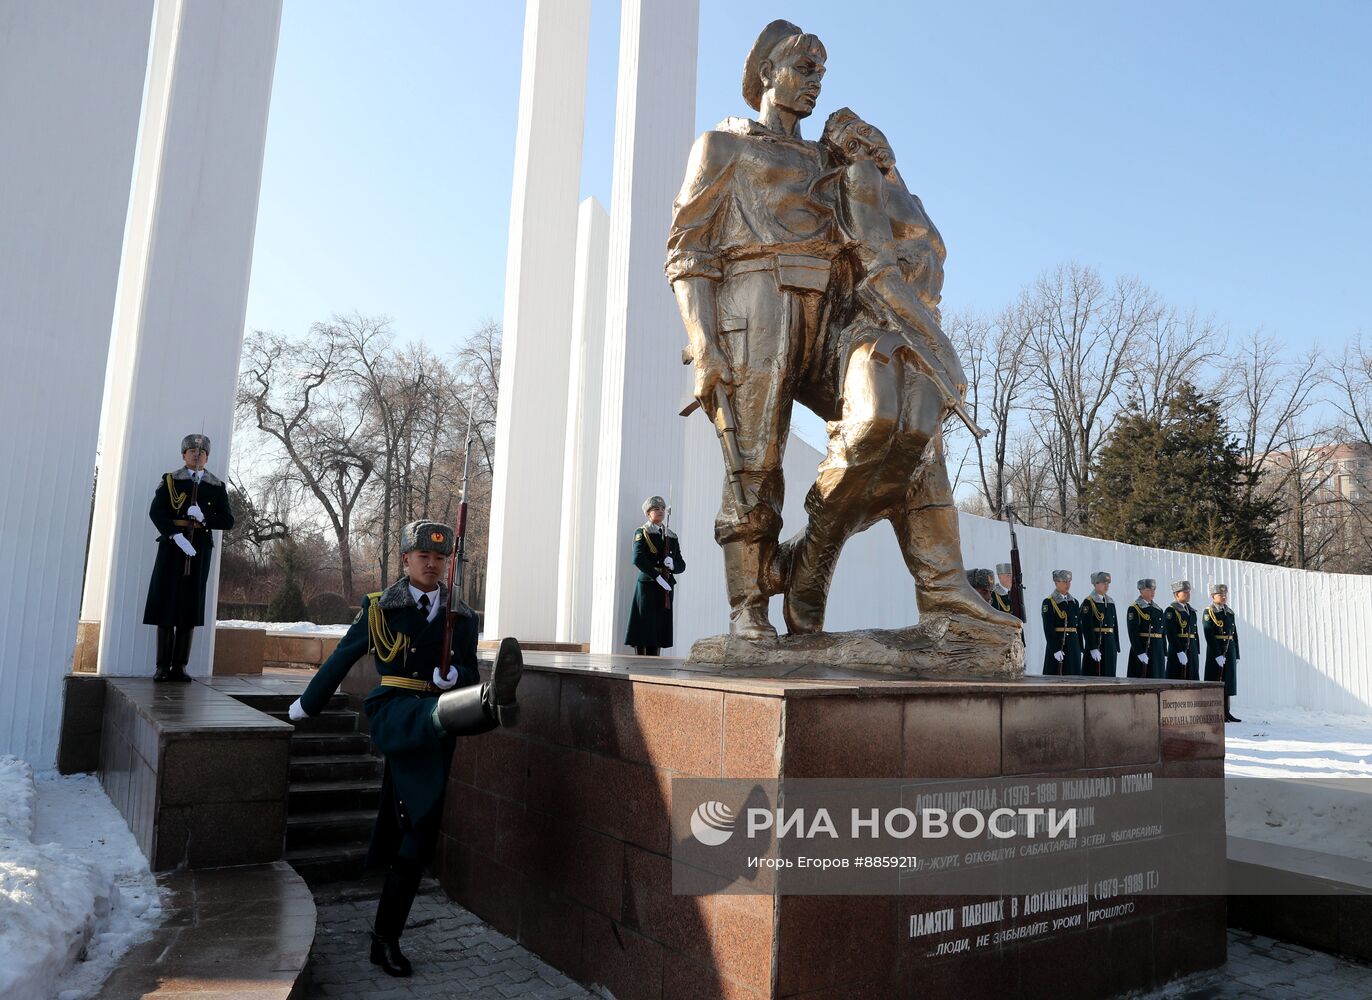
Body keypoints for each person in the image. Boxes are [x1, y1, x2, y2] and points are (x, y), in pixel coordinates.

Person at [777, 105, 1018, 637]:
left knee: (920, 448)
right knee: (875, 422)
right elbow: (880, 274)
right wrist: (942, 348)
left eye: (867, 128)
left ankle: (942, 587)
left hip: (920, 330)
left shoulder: (913, 199)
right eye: (850, 135)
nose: (866, 140)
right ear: (843, 149)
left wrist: (931, 338)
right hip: (872, 325)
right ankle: (817, 546)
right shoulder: (858, 179)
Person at [287, 521, 524, 978]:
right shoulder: (380, 608)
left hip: (438, 725)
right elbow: (341, 657)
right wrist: (306, 704)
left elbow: (466, 667)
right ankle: (492, 705)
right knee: (430, 720)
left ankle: (385, 939)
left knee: (417, 837)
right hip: (396, 709)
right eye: (423, 556)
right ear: (406, 560)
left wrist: (459, 679)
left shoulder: (462, 617)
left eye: (440, 558)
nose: (433, 564)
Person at [667, 19, 839, 640]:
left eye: (823, 71)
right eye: (804, 67)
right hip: (753, 304)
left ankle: (803, 570)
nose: (817, 81)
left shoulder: (827, 159)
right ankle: (748, 607)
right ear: (767, 73)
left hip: (829, 310)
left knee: (890, 431)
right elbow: (687, 251)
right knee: (755, 462)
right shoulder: (723, 146)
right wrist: (705, 343)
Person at [142, 433, 235, 682]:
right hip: (173, 548)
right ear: (184, 455)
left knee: (189, 606)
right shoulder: (171, 480)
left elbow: (228, 520)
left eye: (202, 452)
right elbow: (156, 511)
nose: (197, 455)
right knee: (166, 604)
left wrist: (204, 517)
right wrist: (174, 535)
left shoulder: (216, 486)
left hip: (199, 549)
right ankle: (162, 666)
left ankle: (179, 666)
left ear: (207, 457)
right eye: (192, 451)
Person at [625, 496, 684, 655]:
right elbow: (637, 558)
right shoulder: (642, 532)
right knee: (645, 624)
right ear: (647, 513)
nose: (660, 511)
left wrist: (672, 565)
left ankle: (654, 661)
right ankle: (641, 662)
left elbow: (681, 565)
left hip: (666, 585)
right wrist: (656, 577)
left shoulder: (671, 536)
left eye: (662, 509)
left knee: (659, 626)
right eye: (656, 509)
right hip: (648, 584)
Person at [1203, 583, 1241, 722]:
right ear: (1213, 596)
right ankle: (1216, 711)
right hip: (1217, 649)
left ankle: (1227, 711)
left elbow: (1234, 633)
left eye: (1225, 594)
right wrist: (1217, 654)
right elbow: (1209, 634)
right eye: (1220, 594)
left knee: (1228, 680)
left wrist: (1236, 653)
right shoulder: (1209, 612)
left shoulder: (1229, 612)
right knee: (1215, 679)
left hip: (1229, 647)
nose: (1224, 596)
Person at [1041, 570, 1082, 676]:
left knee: (1075, 676)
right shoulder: (1049, 602)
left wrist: (1080, 647)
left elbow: (1078, 627)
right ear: (1056, 582)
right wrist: (1055, 649)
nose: (1067, 584)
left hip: (1073, 646)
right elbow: (1048, 628)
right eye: (1064, 581)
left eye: (1069, 581)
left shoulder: (1074, 602)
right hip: (1059, 645)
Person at [1079, 571, 1120, 677]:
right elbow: (1086, 626)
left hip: (1109, 644)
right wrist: (1092, 647)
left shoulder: (1110, 601)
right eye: (1103, 583)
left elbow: (1114, 625)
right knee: (1094, 674)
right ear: (1096, 584)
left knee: (1109, 674)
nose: (1106, 586)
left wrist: (1116, 644)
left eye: (1108, 583)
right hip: (1097, 643)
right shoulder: (1089, 602)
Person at [1125, 579, 1167, 679]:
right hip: (1144, 649)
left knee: (1159, 679)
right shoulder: (1135, 608)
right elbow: (1132, 633)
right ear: (1141, 590)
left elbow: (1163, 633)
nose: (1152, 592)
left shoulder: (1158, 609)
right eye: (1149, 590)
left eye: (1154, 589)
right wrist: (1139, 652)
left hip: (1158, 651)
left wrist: (1164, 652)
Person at [1165, 580, 1200, 681]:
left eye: (1188, 592)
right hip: (1178, 650)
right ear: (1176, 594)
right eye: (1185, 592)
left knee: (1192, 678)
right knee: (1177, 679)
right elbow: (1170, 633)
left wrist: (1196, 650)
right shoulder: (1171, 610)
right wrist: (1179, 651)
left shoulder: (1192, 612)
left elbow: (1195, 633)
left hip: (1191, 650)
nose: (1188, 594)